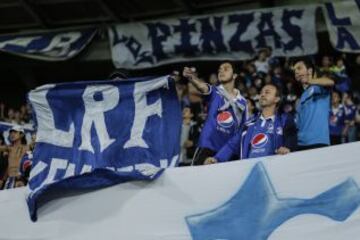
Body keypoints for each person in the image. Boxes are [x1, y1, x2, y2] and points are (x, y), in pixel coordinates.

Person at [204, 84, 297, 164]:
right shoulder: (248, 123)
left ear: (277, 99)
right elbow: (232, 144)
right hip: (249, 170)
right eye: (261, 92)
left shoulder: (284, 119)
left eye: (267, 92)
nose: (262, 95)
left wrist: (287, 148)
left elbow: (291, 136)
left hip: (273, 169)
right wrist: (217, 158)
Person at [182, 62, 247, 165]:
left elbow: (241, 131)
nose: (221, 71)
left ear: (234, 75)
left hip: (227, 153)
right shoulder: (215, 91)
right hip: (207, 147)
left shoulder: (243, 102)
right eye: (219, 69)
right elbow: (202, 87)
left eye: (226, 69)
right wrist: (192, 78)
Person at [291, 57, 335, 150]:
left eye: (299, 68)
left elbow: (330, 82)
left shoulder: (317, 87)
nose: (296, 72)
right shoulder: (301, 98)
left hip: (318, 142)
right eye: (294, 70)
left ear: (309, 70)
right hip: (300, 144)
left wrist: (309, 81)